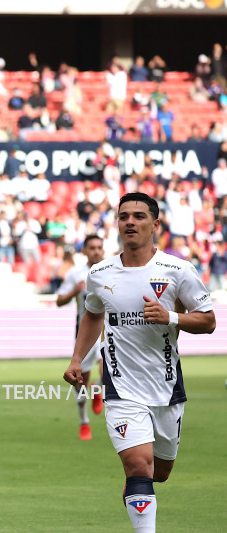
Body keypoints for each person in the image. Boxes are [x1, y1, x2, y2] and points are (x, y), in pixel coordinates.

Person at [63, 192, 215, 533]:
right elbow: (91, 315)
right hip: (120, 385)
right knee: (137, 465)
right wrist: (77, 358)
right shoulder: (100, 273)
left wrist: (171, 317)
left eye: (139, 216)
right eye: (124, 216)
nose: (130, 221)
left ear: (155, 225)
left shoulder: (178, 270)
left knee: (159, 472)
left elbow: (208, 321)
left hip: (166, 387)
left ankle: (139, 489)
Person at [56, 235, 105, 440]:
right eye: (91, 248)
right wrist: (75, 291)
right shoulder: (75, 274)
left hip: (108, 331)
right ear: (84, 251)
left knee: (109, 372)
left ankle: (98, 389)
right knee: (80, 381)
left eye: (99, 247)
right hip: (84, 332)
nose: (96, 251)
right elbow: (59, 300)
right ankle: (84, 422)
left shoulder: (111, 271)